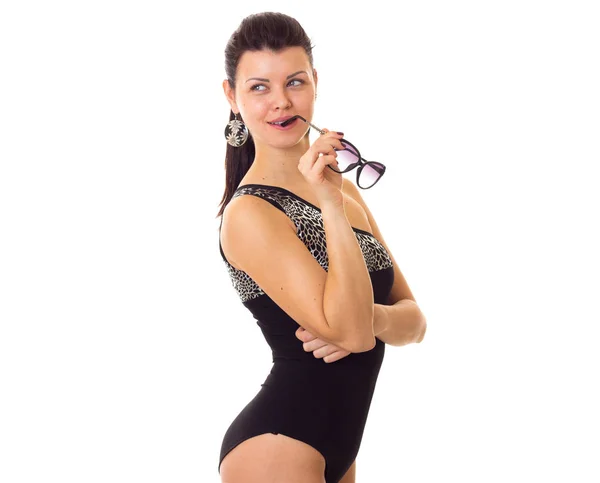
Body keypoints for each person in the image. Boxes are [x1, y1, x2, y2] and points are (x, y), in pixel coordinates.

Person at [216, 11, 427, 483]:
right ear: (232, 96)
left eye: (295, 81)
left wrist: (371, 317)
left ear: (315, 81)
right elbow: (352, 339)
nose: (281, 102)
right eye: (259, 87)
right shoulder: (250, 213)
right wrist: (329, 201)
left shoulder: (346, 190)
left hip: (342, 446)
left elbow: (414, 321)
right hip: (279, 445)